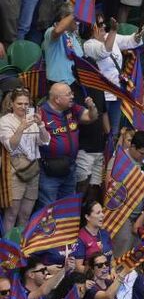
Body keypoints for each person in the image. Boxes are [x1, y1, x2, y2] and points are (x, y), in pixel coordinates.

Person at [36, 82, 98, 210]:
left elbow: (91, 117)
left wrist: (92, 107)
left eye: (72, 93)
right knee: (48, 210)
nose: (72, 96)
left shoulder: (72, 108)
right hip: (49, 171)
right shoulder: (41, 113)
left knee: (68, 209)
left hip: (70, 168)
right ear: (57, 99)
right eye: (68, 94)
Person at [0, 88, 49, 232]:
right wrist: (21, 127)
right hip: (15, 171)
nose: (23, 107)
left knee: (26, 214)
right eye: (19, 103)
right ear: (12, 104)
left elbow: (45, 141)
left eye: (26, 104)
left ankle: (21, 248)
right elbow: (10, 145)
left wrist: (40, 125)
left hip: (33, 170)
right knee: (11, 215)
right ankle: (7, 249)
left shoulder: (33, 120)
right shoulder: (4, 121)